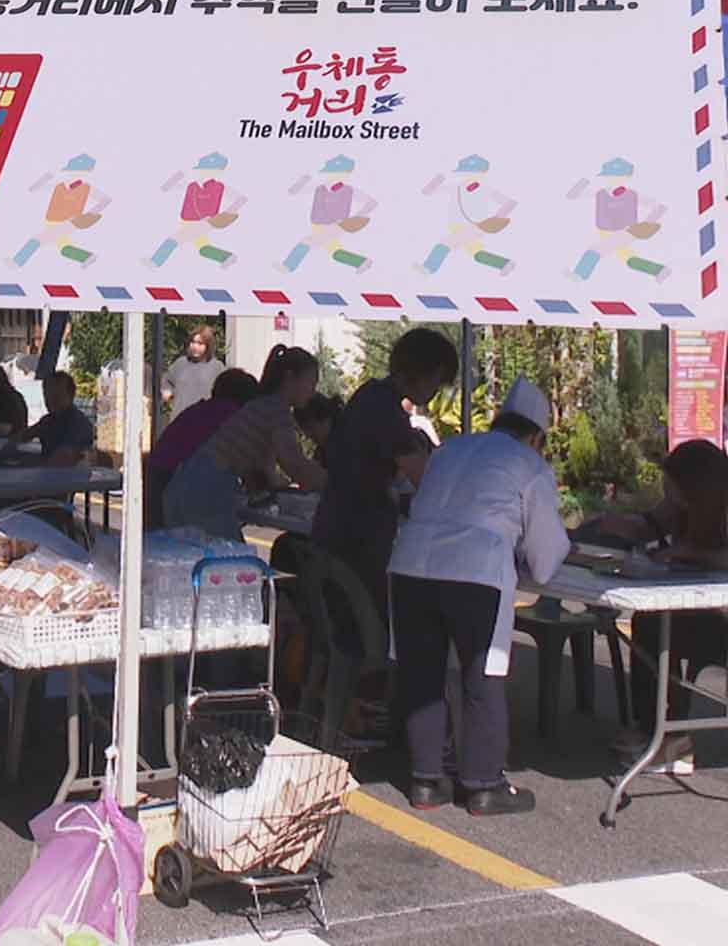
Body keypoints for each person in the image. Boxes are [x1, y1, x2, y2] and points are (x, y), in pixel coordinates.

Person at [389, 379, 570, 816]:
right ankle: (483, 784)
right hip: (474, 572)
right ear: (537, 436)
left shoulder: (452, 448)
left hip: (410, 564)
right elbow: (546, 559)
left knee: (423, 676)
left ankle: (427, 782)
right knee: (481, 676)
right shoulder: (530, 464)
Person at [588, 439, 728, 775]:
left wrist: (687, 554)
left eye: (674, 490)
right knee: (651, 623)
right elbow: (649, 523)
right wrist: (608, 525)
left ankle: (669, 734)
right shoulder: (683, 509)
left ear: (697, 486)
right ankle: (659, 730)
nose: (670, 498)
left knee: (660, 628)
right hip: (707, 613)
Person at [312, 328, 460, 617]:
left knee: (336, 635)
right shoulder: (387, 412)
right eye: (437, 381)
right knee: (364, 636)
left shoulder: (370, 394)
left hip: (334, 527)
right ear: (423, 371)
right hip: (357, 540)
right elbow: (425, 479)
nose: (435, 391)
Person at [162, 345, 326, 540]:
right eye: (311, 382)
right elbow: (296, 466)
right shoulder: (277, 412)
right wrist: (336, 484)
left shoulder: (261, 405)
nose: (313, 391)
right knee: (229, 563)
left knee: (217, 562)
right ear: (290, 378)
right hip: (206, 491)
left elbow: (264, 471)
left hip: (187, 485)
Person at [144, 367, 259, 530]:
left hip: (157, 476)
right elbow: (246, 464)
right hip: (180, 485)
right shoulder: (232, 415)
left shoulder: (199, 410)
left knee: (161, 544)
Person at [14, 372, 96, 466]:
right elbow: (23, 436)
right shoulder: (48, 421)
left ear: (71, 395)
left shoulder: (79, 423)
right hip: (50, 476)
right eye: (46, 394)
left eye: (56, 394)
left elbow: (62, 458)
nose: (50, 399)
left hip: (73, 477)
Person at [162, 323, 224, 423]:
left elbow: (224, 394)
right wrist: (166, 391)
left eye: (200, 343)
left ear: (208, 346)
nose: (195, 346)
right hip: (179, 420)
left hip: (205, 421)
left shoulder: (217, 367)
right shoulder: (180, 363)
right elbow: (167, 380)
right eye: (193, 342)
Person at [294, 393, 344, 466]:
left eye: (310, 427)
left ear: (325, 418)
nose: (308, 435)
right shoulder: (321, 454)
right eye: (304, 430)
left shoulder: (353, 436)